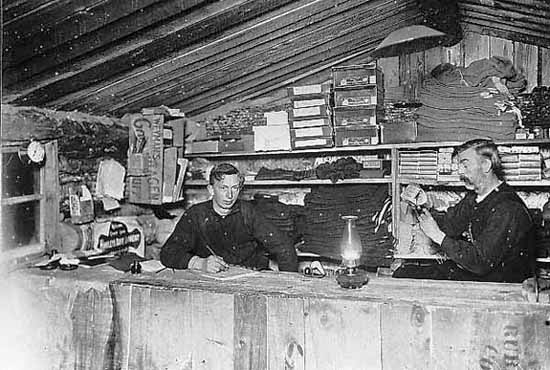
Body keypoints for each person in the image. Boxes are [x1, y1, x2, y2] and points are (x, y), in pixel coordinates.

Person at [393, 138, 534, 283]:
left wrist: (437, 235)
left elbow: (481, 262)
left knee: (410, 279)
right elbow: (451, 223)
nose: (460, 172)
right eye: (459, 166)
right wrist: (421, 204)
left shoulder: (507, 208)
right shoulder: (476, 197)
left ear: (486, 165)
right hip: (480, 274)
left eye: (465, 166)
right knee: (404, 272)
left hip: (501, 284)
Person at [160, 163, 298, 273]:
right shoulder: (196, 215)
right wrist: (198, 263)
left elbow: (284, 247)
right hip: (213, 281)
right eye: (223, 188)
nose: (230, 195)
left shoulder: (248, 212)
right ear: (211, 189)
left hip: (250, 278)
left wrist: (289, 285)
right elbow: (168, 253)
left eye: (235, 188)